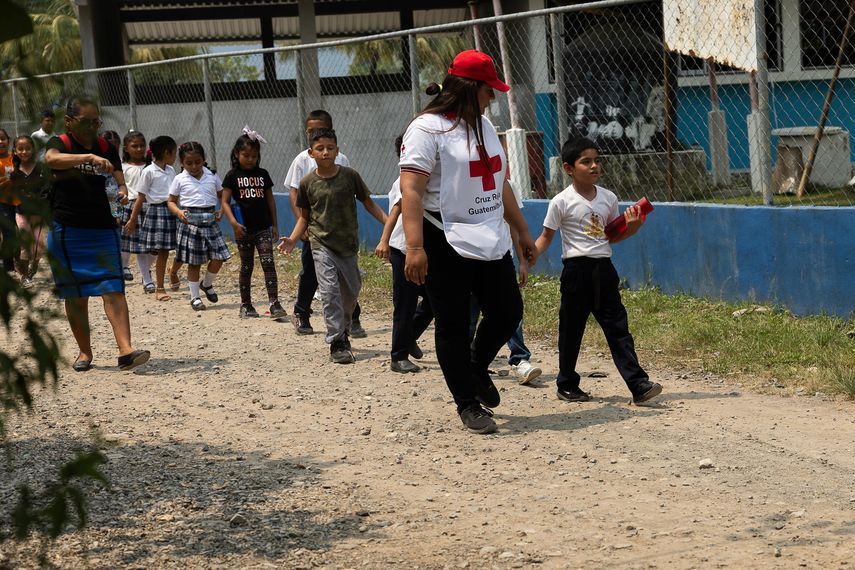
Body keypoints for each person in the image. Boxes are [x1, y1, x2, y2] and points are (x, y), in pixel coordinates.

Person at [399, 50, 537, 435]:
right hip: (443, 236)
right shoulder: (427, 129)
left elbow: (499, 181)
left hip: (488, 233)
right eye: (488, 90)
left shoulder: (485, 126)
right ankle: (467, 403)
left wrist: (523, 230)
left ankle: (475, 367)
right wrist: (414, 247)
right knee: (454, 323)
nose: (492, 97)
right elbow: (411, 190)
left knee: (507, 311)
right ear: (469, 88)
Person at [535, 137, 662, 404]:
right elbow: (547, 236)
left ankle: (638, 385)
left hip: (604, 269)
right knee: (571, 329)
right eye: (586, 162)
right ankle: (567, 383)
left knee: (618, 327)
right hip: (576, 271)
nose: (594, 166)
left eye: (597, 160)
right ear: (569, 168)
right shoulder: (561, 201)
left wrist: (634, 225)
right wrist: (531, 254)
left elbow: (610, 237)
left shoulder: (609, 198)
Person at [43, 95, 150, 372]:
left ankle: (126, 351)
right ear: (68, 122)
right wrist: (88, 157)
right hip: (67, 229)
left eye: (96, 121)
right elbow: (50, 158)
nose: (92, 127)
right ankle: (84, 352)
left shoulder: (106, 145)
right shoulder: (61, 143)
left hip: (102, 228)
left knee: (113, 287)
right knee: (76, 294)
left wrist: (123, 191)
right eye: (86, 122)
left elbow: (117, 175)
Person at [279, 128, 386, 364]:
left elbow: (368, 203)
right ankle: (337, 341)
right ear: (311, 152)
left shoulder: (350, 176)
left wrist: (389, 224)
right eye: (320, 148)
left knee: (351, 292)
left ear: (337, 151)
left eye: (330, 148)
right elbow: (304, 217)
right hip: (321, 244)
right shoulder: (307, 183)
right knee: (329, 293)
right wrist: (293, 239)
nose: (325, 152)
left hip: (347, 245)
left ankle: (343, 329)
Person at [283, 109, 366, 338]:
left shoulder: (342, 161)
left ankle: (352, 318)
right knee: (312, 273)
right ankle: (302, 312)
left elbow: (354, 195)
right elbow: (294, 192)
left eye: (320, 130)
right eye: (311, 131)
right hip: (315, 230)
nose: (316, 135)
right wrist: (303, 224)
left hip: (341, 232)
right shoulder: (302, 159)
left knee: (349, 280)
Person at [468, 179, 542, 385]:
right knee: (469, 317)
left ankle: (519, 359)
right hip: (469, 258)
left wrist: (521, 262)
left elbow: (513, 224)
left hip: (501, 259)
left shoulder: (504, 183)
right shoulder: (460, 176)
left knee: (510, 313)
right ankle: (467, 366)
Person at [375, 135, 433, 373]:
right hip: (403, 248)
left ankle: (409, 335)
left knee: (433, 300)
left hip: (423, 250)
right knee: (405, 303)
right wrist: (384, 241)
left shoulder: (429, 177)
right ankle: (398, 356)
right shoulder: (405, 179)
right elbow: (396, 211)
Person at [221, 127, 286, 319]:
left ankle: (274, 303)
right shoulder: (232, 176)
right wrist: (233, 223)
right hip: (243, 229)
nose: (250, 159)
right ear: (237, 154)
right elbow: (224, 202)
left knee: (268, 263)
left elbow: (270, 201)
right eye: (246, 155)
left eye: (254, 156)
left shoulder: (263, 174)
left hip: (263, 227)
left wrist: (274, 225)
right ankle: (246, 305)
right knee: (247, 265)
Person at [167, 141, 231, 311]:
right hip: (190, 224)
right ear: (182, 163)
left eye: (198, 162)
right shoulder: (180, 179)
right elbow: (171, 201)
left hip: (210, 223)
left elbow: (222, 196)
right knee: (194, 263)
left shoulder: (212, 176)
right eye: (189, 163)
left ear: (204, 160)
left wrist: (221, 211)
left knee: (219, 257)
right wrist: (179, 212)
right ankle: (195, 297)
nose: (194, 166)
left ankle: (207, 284)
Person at [126, 135, 177, 301]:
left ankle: (173, 273)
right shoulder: (148, 172)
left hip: (172, 210)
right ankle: (159, 288)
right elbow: (140, 197)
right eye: (174, 153)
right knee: (161, 251)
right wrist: (133, 220)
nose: (176, 157)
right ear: (166, 153)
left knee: (174, 249)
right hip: (157, 213)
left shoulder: (171, 171)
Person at [10, 135, 50, 287]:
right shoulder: (15, 172)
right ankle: (24, 275)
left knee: (38, 246)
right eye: (20, 149)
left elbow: (47, 188)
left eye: (27, 148)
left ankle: (34, 266)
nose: (24, 152)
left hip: (38, 213)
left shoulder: (40, 169)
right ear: (15, 151)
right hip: (22, 213)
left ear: (33, 150)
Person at [118, 130, 155, 290]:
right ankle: (147, 280)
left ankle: (146, 271)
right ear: (126, 148)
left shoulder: (151, 167)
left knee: (155, 248)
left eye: (142, 146)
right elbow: (120, 188)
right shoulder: (122, 168)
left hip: (151, 208)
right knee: (140, 247)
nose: (139, 149)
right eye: (135, 146)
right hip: (132, 208)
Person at [0, 128, 18, 274]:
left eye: (3, 138)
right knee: (8, 234)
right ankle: (8, 265)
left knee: (13, 234)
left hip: (16, 202)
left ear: (8, 140)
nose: (0, 142)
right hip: (2, 203)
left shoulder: (15, 158)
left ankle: (11, 263)